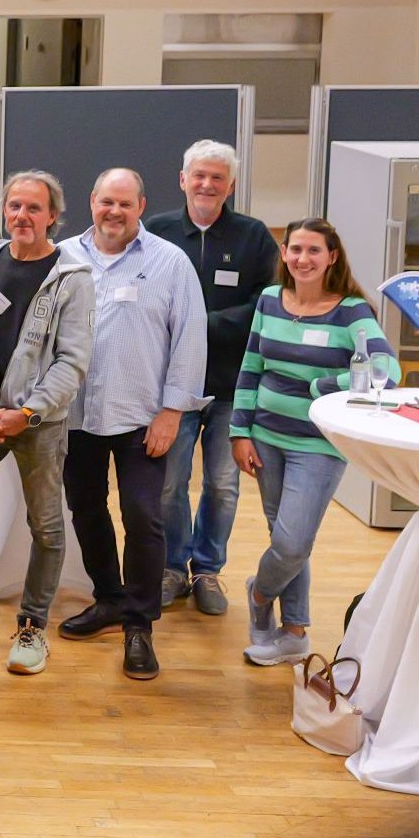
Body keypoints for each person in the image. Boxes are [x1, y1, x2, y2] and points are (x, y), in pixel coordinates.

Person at [57, 168, 208, 682]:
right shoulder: (64, 257)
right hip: (75, 414)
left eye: (125, 203)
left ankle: (139, 624)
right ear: (91, 202)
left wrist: (172, 412)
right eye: (106, 202)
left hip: (143, 417)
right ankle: (109, 598)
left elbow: (190, 339)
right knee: (85, 509)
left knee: (143, 516)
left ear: (141, 206)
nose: (114, 212)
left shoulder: (170, 261)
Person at [0, 173, 93, 674]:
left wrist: (27, 413)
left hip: (39, 422)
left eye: (34, 208)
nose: (22, 216)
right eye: (14, 206)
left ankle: (32, 627)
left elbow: (72, 361)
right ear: (3, 210)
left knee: (46, 526)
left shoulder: (73, 278)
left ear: (53, 215)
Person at [232, 217, 391, 666]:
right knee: (286, 539)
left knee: (291, 544)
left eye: (314, 250)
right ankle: (295, 633)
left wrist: (323, 386)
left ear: (332, 257)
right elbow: (251, 367)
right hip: (265, 439)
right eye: (295, 249)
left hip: (317, 445)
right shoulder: (270, 300)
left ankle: (260, 593)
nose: (303, 259)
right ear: (284, 254)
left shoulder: (351, 311)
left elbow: (386, 369)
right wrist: (239, 431)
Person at [149, 139, 278, 615]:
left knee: (223, 486)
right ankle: (172, 568)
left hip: (231, 386)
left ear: (231, 185)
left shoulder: (253, 236)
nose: (207, 184)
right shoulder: (156, 231)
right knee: (169, 484)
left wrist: (200, 324)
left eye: (217, 178)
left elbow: (267, 301)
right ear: (183, 180)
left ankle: (207, 569)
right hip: (173, 387)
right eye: (199, 175)